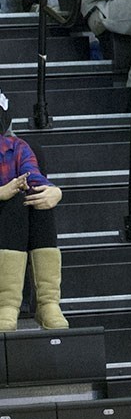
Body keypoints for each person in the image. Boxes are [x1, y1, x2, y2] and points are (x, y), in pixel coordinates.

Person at [0, 87, 68, 332]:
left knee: (35, 198)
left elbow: (34, 177)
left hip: (11, 225)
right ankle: (6, 305)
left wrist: (54, 192)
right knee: (13, 201)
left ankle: (48, 302)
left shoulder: (16, 148)